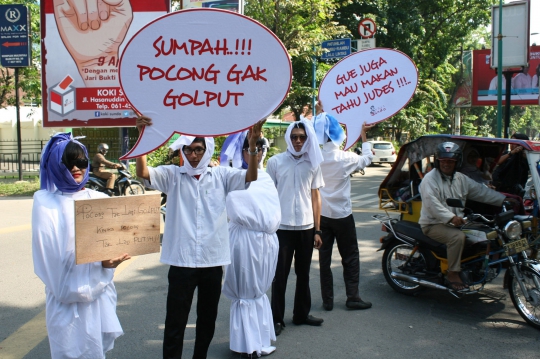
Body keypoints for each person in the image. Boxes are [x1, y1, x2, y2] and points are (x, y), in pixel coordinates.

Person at [135, 116, 263, 359]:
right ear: (182, 151)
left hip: (212, 262)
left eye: (198, 150)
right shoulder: (172, 175)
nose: (193, 155)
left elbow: (250, 177)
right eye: (188, 150)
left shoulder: (221, 176)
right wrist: (143, 137)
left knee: (207, 320)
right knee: (175, 322)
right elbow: (143, 172)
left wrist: (253, 146)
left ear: (207, 151)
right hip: (181, 262)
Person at [32, 133, 130, 359]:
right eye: (68, 162)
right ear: (56, 166)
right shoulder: (45, 202)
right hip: (64, 301)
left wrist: (108, 263)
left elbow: (108, 245)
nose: (76, 168)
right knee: (67, 351)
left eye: (82, 162)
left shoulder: (98, 198)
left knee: (95, 351)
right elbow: (49, 258)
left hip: (97, 299)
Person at [419, 142, 515, 291]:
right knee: (457, 238)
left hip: (457, 223)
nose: (446, 164)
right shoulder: (430, 179)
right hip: (433, 224)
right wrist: (451, 217)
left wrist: (503, 199)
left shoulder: (460, 179)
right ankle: (453, 273)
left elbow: (481, 192)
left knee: (485, 234)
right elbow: (432, 205)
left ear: (457, 162)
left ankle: (473, 267)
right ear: (438, 161)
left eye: (450, 161)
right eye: (443, 161)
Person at [220, 131, 281, 358]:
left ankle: (260, 339)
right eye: (249, 148)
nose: (256, 152)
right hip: (244, 241)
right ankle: (246, 343)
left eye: (260, 148)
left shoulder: (265, 177)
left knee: (258, 291)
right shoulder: (231, 176)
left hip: (266, 241)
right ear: (241, 151)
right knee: (245, 290)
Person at [312, 105, 374, 311]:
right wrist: (364, 136)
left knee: (324, 260)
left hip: (321, 216)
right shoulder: (345, 158)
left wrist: (319, 114)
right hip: (343, 214)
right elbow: (367, 160)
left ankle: (327, 301)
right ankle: (353, 296)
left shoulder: (315, 158)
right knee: (350, 256)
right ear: (338, 133)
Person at [266, 119, 325, 337]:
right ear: (288, 138)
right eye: (294, 137)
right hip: (281, 228)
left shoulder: (313, 163)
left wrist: (318, 230)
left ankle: (301, 314)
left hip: (306, 228)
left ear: (307, 139)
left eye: (302, 137)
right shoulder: (275, 162)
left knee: (303, 273)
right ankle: (276, 319)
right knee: (279, 276)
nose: (298, 141)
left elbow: (315, 196)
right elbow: (268, 195)